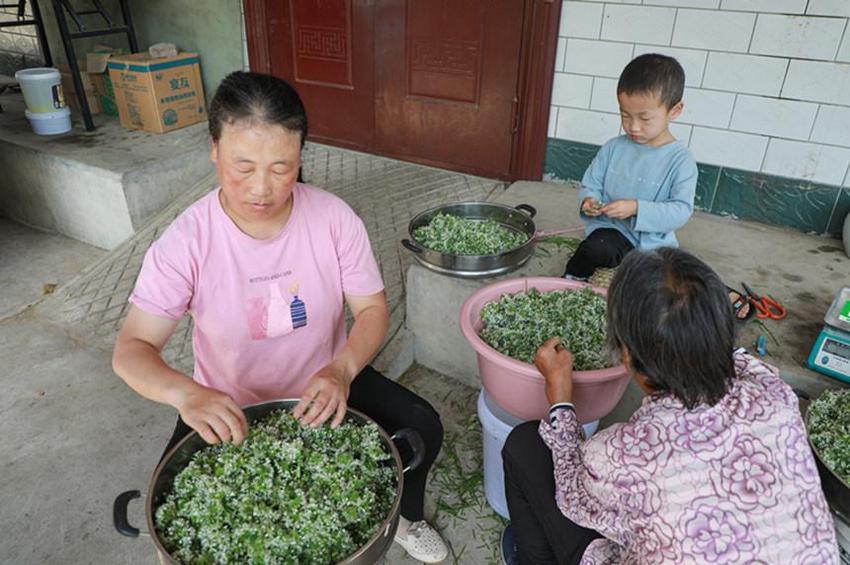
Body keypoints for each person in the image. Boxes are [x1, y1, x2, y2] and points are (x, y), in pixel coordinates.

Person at [112, 71, 448, 563]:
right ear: (214, 150)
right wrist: (187, 394)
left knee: (424, 427)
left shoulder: (334, 219)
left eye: (282, 167)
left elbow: (372, 310)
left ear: (302, 157)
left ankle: (403, 518)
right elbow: (132, 349)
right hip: (229, 405)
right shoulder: (186, 241)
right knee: (195, 516)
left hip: (326, 383)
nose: (262, 189)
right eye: (242, 167)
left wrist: (342, 369)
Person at [502, 248, 838, 564]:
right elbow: (735, 357)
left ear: (629, 358)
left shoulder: (619, 454)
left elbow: (574, 499)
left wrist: (560, 398)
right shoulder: (775, 394)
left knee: (525, 445)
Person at [563, 54, 697, 281]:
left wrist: (636, 208)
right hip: (613, 232)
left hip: (655, 242)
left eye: (645, 119)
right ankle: (568, 282)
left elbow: (680, 211)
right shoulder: (613, 148)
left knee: (669, 281)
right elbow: (591, 184)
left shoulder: (680, 160)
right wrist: (589, 201)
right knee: (593, 249)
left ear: (674, 110)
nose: (633, 127)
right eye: (625, 115)